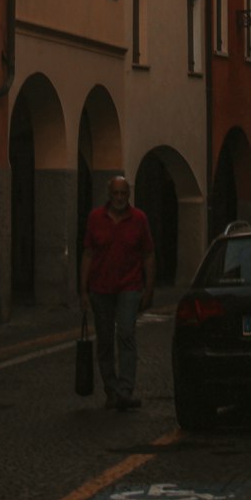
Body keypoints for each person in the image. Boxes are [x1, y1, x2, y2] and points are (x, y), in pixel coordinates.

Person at [80, 175, 156, 411]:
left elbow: (148, 255)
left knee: (125, 333)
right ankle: (111, 389)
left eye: (123, 194)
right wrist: (83, 290)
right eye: (116, 194)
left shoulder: (139, 219)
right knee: (104, 341)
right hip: (100, 288)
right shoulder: (95, 218)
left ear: (129, 195)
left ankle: (125, 390)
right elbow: (88, 254)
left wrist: (149, 288)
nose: (120, 198)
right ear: (109, 194)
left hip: (129, 287)